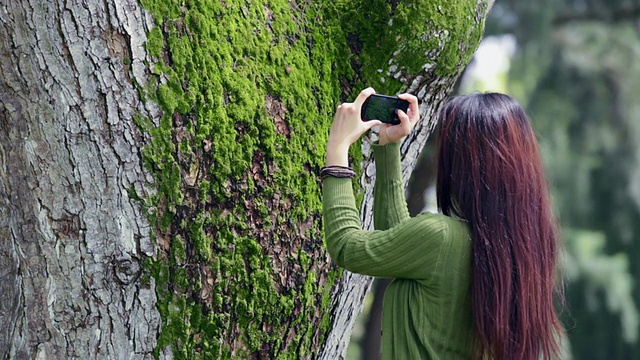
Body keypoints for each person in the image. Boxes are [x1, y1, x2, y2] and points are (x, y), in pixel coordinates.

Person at [322, 88, 563, 359]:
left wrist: (338, 148)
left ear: (461, 164)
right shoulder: (523, 255)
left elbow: (346, 247)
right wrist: (388, 146)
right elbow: (401, 242)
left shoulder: (443, 237)